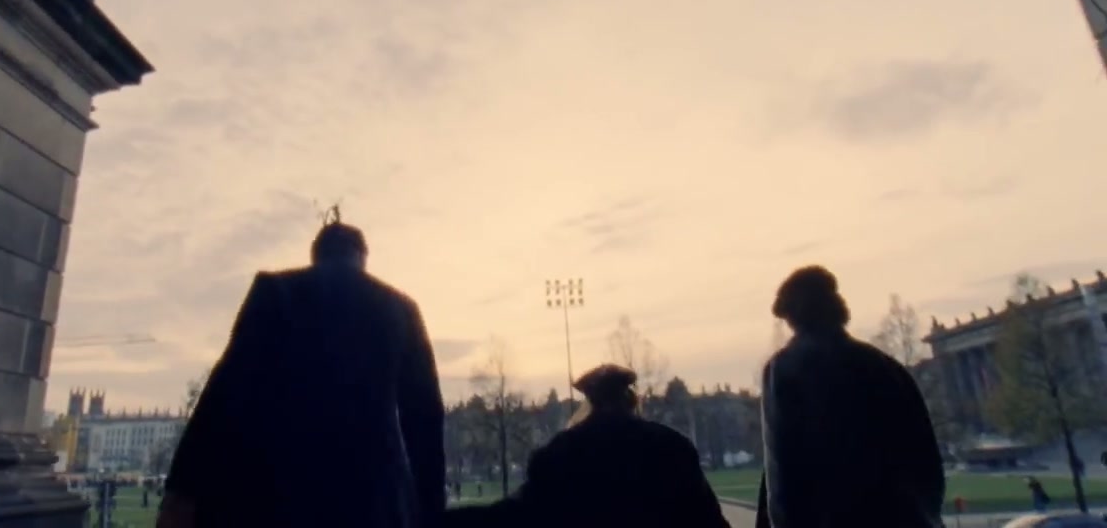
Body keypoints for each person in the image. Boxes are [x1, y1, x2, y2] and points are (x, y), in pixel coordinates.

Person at [157, 214, 446, 528]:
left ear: (315, 255)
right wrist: (431, 509)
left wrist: (182, 489)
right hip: (375, 500)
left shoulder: (275, 291)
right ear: (362, 256)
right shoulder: (401, 308)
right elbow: (425, 417)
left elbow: (225, 391)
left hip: (281, 494)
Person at [757, 265, 945, 528]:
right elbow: (927, 461)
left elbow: (784, 472)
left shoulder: (785, 369)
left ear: (794, 316)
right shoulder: (885, 366)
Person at [450, 364, 730, 528]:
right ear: (631, 400)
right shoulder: (671, 447)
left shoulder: (560, 452)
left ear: (590, 402)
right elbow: (707, 520)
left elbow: (516, 516)